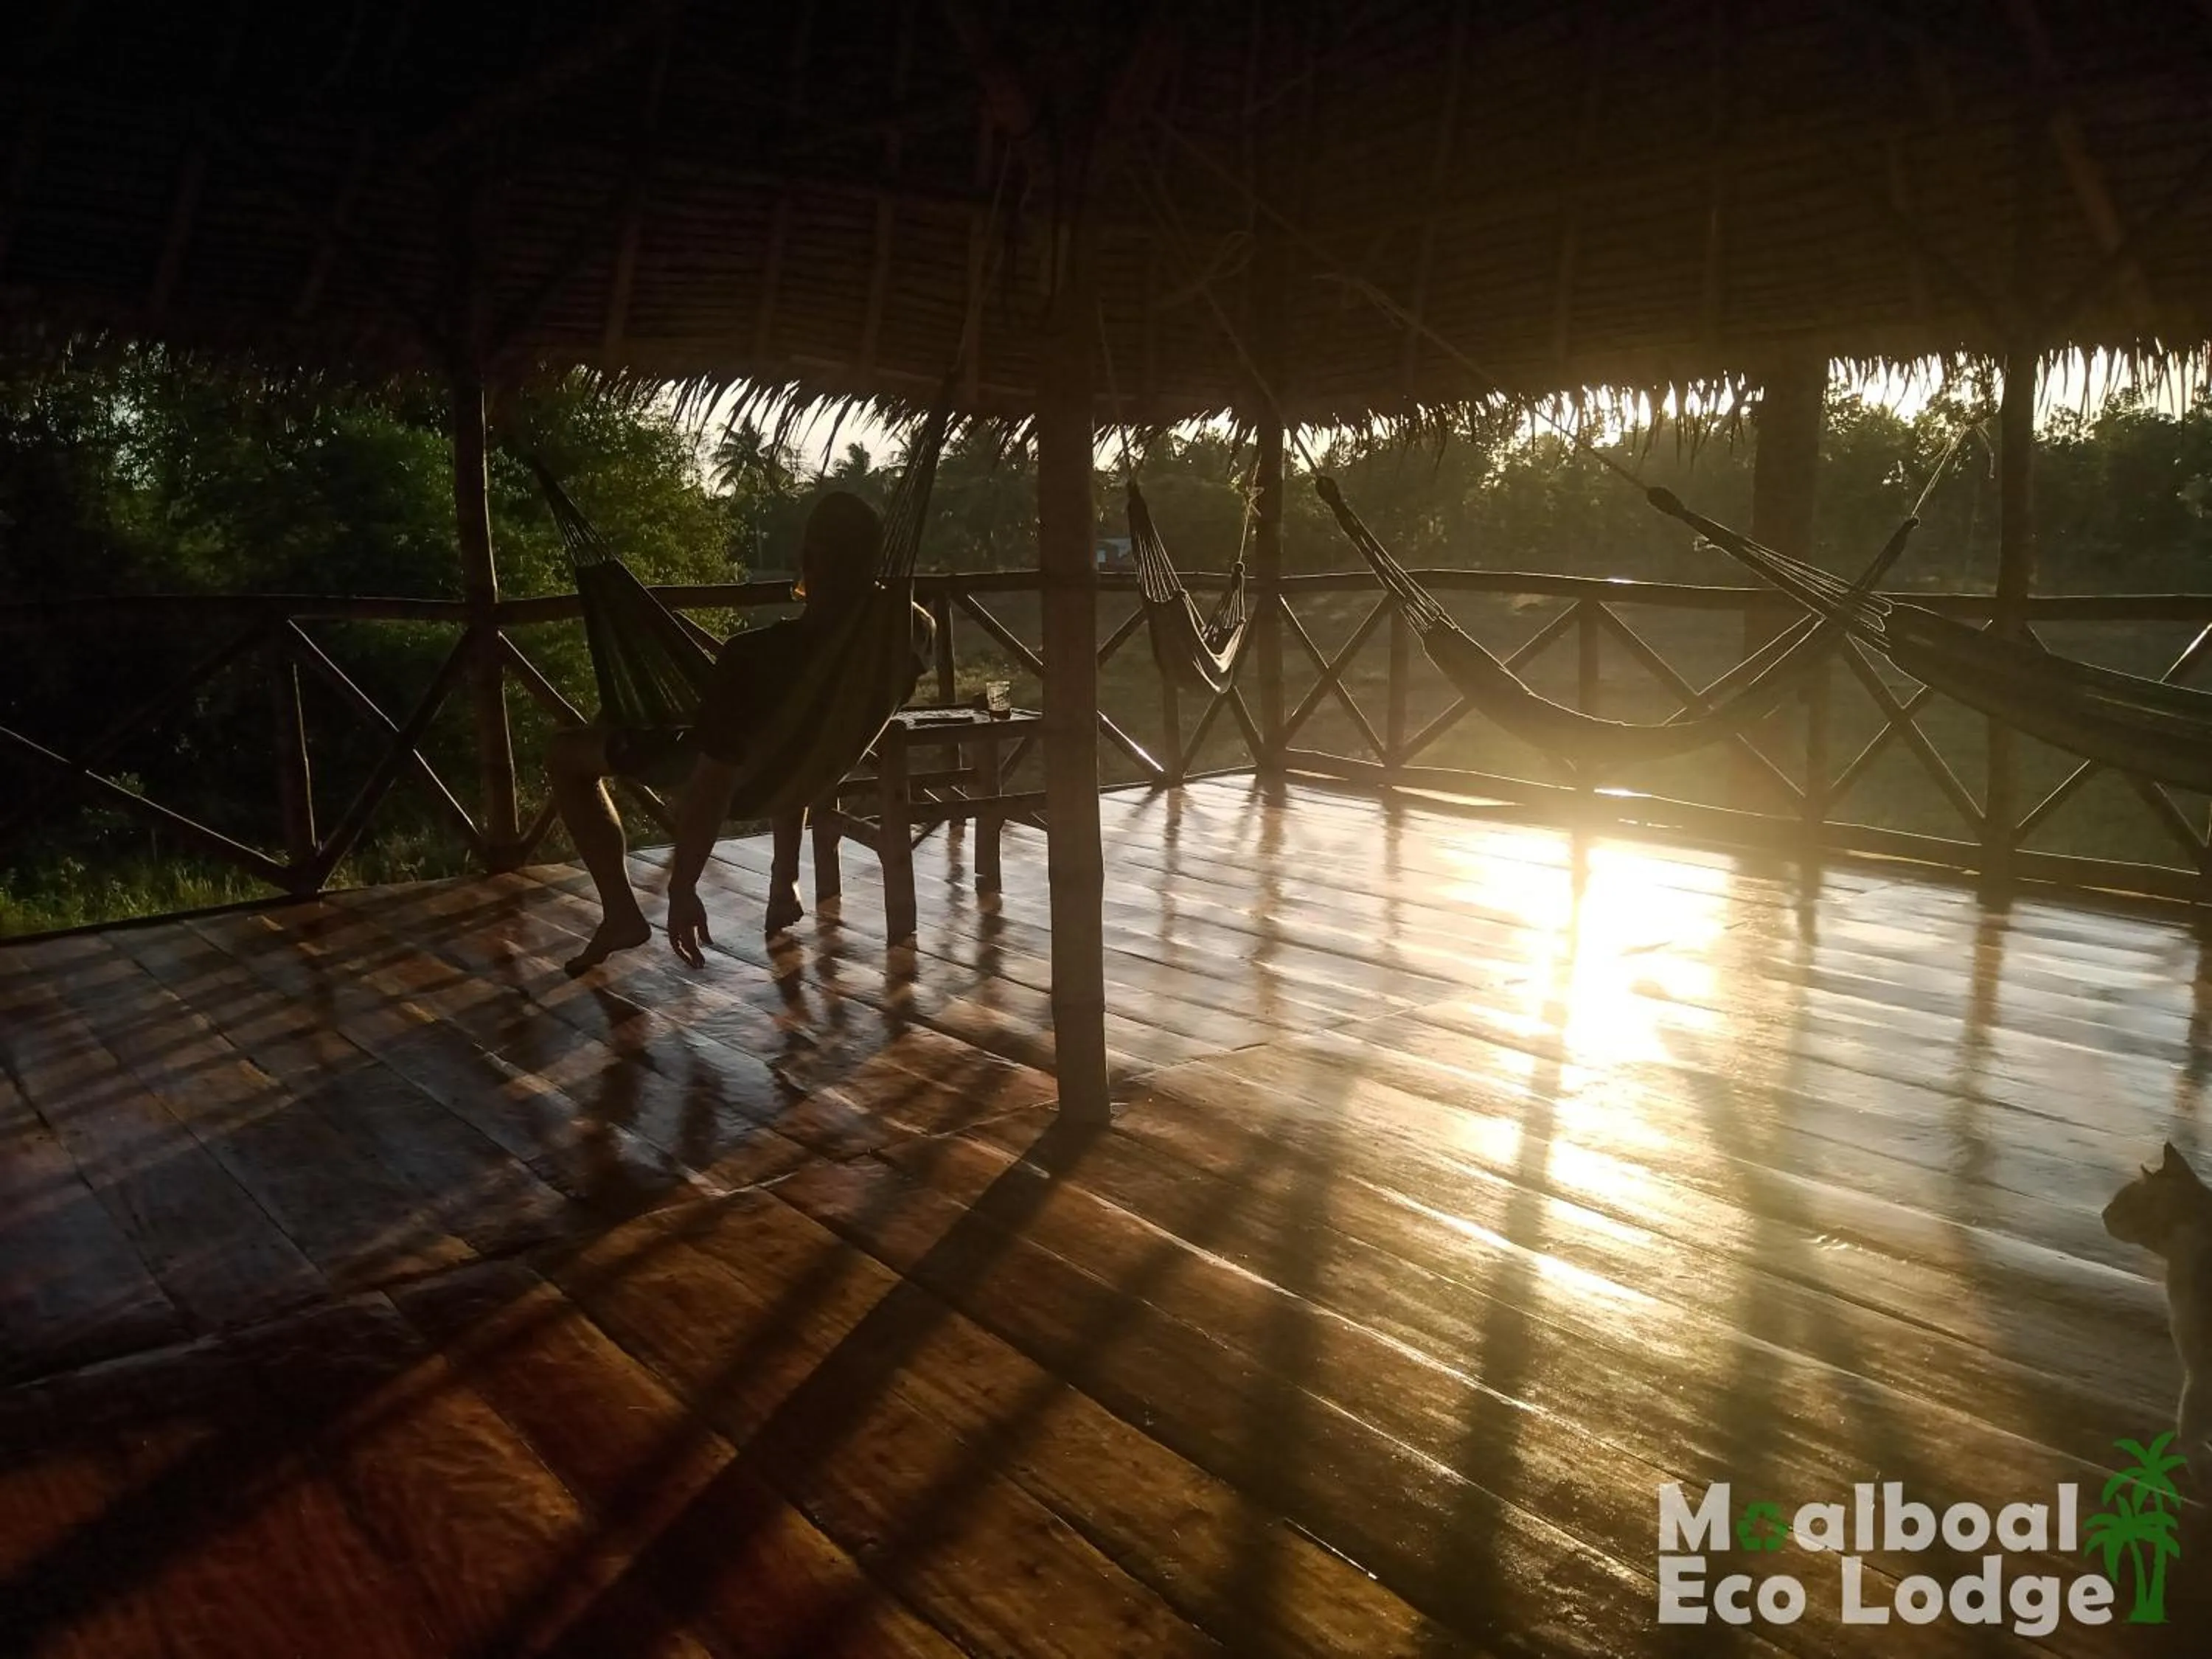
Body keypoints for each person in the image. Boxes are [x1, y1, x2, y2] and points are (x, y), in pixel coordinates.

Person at [546, 490, 933, 974]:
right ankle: (784, 877)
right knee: (774, 734)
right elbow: (797, 736)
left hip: (725, 772)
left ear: (808, 558)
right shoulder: (908, 637)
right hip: (805, 770)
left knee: (566, 754)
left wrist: (683, 887)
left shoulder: (753, 656)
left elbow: (713, 784)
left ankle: (622, 913)